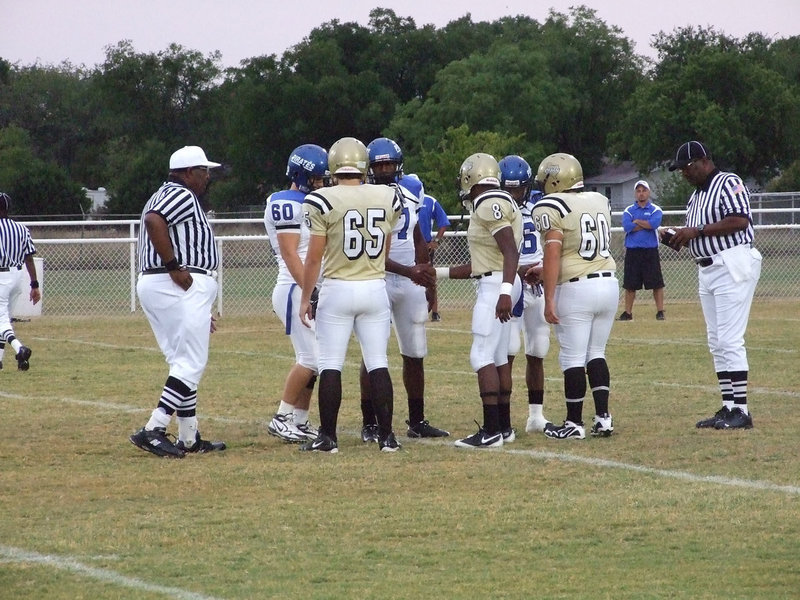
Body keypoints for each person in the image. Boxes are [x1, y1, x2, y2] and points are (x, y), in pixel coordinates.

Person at [298, 137, 404, 453]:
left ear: (333, 166)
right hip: (374, 287)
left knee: (330, 363)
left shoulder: (321, 199)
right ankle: (387, 437)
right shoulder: (387, 196)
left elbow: (314, 257)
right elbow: (385, 248)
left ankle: (328, 437)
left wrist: (306, 297)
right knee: (378, 362)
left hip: (338, 287)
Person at [129, 145, 226, 458]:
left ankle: (188, 437)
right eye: (203, 171)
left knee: (182, 361)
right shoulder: (180, 194)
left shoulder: (165, 193)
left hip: (163, 286)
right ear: (187, 172)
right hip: (176, 284)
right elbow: (154, 221)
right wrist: (173, 266)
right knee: (191, 362)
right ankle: (154, 428)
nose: (207, 177)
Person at [664, 140, 762, 430]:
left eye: (687, 167)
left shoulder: (727, 182)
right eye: (681, 169)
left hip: (730, 261)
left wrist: (697, 230)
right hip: (706, 267)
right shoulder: (695, 197)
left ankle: (742, 410)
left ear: (704, 161)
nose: (684, 173)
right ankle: (728, 406)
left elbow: (740, 220)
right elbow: (699, 234)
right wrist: (679, 237)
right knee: (716, 340)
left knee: (730, 339)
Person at [356, 144, 445, 443]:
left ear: (399, 165)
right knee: (372, 354)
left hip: (410, 279)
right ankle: (370, 423)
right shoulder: (362, 195)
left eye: (389, 165)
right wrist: (412, 272)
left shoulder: (412, 190)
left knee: (415, 352)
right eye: (378, 166)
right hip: (377, 278)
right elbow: (373, 251)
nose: (384, 171)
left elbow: (418, 234)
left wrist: (427, 277)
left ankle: (417, 420)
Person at [435, 153, 522, 448]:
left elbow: (510, 251)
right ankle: (504, 427)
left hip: (498, 284)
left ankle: (491, 431)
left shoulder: (487, 203)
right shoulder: (504, 200)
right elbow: (482, 263)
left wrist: (504, 292)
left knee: (481, 355)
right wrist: (437, 273)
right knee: (499, 356)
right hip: (502, 278)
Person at [530, 153, 617, 440]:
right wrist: (544, 270)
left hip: (577, 289)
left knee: (572, 357)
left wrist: (549, 298)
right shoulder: (598, 200)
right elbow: (577, 249)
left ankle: (574, 423)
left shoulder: (552, 205)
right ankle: (603, 418)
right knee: (596, 353)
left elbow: (554, 251)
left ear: (555, 180)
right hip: (608, 282)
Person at [263, 144, 328, 443]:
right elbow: (290, 253)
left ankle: (300, 420)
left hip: (304, 288)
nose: (321, 184)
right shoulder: (286, 202)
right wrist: (309, 291)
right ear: (301, 175)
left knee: (314, 361)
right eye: (317, 179)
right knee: (310, 358)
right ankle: (282, 417)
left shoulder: (308, 201)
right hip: (294, 287)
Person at [498, 155, 551, 435]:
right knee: (507, 351)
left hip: (537, 282)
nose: (515, 195)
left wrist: (542, 268)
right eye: (509, 190)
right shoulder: (494, 209)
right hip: (511, 282)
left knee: (538, 349)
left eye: (519, 189)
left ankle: (536, 416)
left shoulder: (540, 207)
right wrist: (516, 272)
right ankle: (503, 421)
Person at [0, 192, 41, 371]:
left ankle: (20, 349)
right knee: (4, 320)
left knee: (1, 321)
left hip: (1, 276)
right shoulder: (21, 228)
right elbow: (29, 258)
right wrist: (34, 285)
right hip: (17, 276)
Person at [619, 180, 666, 321]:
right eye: (638, 191)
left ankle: (660, 311)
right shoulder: (629, 210)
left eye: (644, 190)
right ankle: (627, 313)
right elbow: (627, 227)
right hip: (633, 252)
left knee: (656, 284)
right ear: (635, 193)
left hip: (650, 251)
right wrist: (645, 224)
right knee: (630, 285)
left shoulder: (655, 210)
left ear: (648, 192)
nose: (641, 193)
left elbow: (654, 224)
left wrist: (637, 221)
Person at [417, 185, 450, 322]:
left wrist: (436, 241)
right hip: (406, 246)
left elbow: (443, 222)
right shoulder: (402, 199)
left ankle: (435, 312)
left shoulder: (430, 201)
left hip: (425, 246)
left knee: (430, 278)